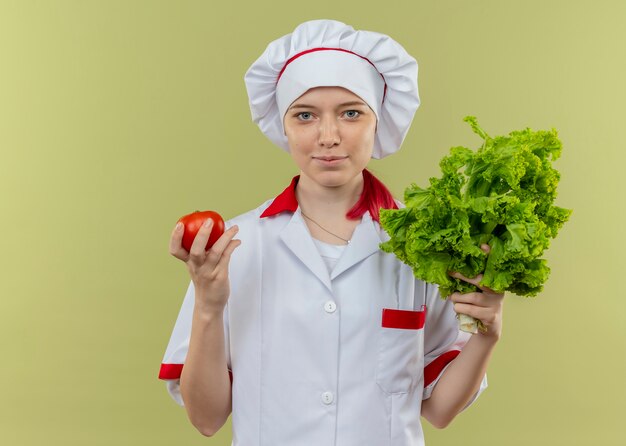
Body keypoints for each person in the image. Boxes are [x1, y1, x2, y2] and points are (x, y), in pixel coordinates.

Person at [159, 19, 504, 445]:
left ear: (378, 122)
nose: (328, 136)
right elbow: (207, 419)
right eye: (305, 116)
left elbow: (439, 410)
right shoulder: (233, 249)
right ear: (283, 127)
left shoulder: (423, 249)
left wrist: (487, 334)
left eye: (351, 113)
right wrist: (209, 307)